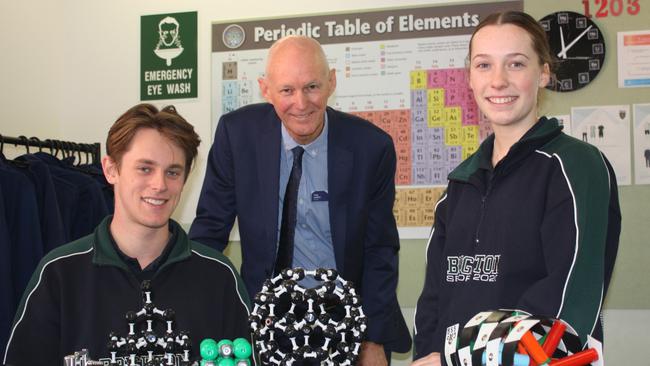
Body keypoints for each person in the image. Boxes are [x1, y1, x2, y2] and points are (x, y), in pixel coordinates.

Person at [412, 11, 621, 366]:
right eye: (483, 65)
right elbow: (434, 297)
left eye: (516, 64)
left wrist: (456, 359)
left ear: (543, 73)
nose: (498, 81)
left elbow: (566, 302)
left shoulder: (576, 165)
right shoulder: (459, 183)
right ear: (470, 78)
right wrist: (430, 355)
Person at [190, 35, 411, 364]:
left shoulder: (371, 148)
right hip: (263, 319)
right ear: (265, 89)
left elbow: (379, 249)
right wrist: (198, 310)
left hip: (344, 320)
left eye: (312, 87)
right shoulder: (237, 136)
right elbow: (209, 231)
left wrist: (372, 337)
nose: (301, 103)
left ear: (331, 81)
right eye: (286, 91)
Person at [3, 104, 252, 365]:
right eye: (145, 168)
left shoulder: (219, 276)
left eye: (173, 172)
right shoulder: (58, 274)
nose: (159, 185)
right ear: (111, 169)